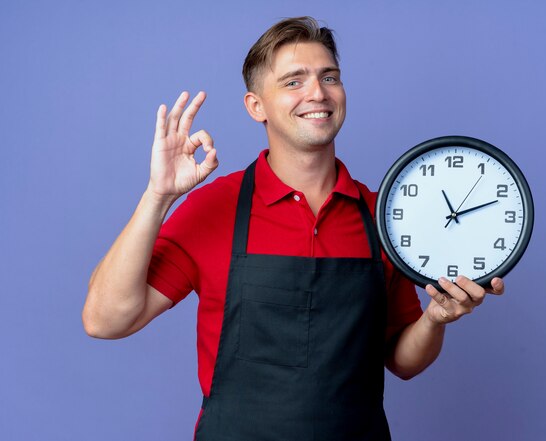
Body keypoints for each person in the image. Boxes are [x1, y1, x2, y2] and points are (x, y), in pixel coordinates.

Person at [83, 16, 504, 440]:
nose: (317, 93)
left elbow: (403, 362)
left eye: (330, 77)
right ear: (256, 106)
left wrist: (436, 319)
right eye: (293, 81)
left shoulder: (384, 216)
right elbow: (105, 320)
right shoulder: (214, 207)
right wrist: (158, 195)